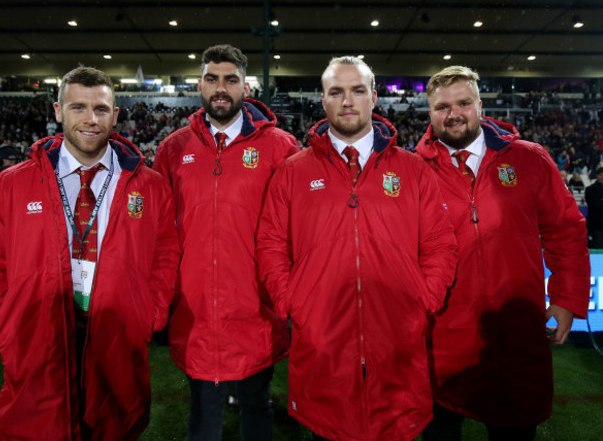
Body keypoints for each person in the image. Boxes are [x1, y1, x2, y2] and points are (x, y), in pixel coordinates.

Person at [0, 66, 180, 440]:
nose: (90, 120)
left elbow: (166, 253)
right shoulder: (11, 184)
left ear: (115, 115)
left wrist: (151, 313)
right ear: (58, 111)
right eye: (78, 107)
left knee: (114, 426)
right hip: (38, 338)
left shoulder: (150, 185)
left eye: (100, 109)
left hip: (116, 338)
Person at [256, 56, 458, 441]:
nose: (347, 100)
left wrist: (424, 298)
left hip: (397, 343)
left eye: (357, 91)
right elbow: (271, 245)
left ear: (373, 97)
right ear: (323, 100)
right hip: (323, 342)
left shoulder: (413, 170)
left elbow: (440, 245)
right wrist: (292, 301)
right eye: (337, 92)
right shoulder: (293, 172)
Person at [415, 66, 590, 440]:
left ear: (480, 105)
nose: (454, 113)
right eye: (442, 106)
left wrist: (565, 298)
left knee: (514, 429)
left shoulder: (529, 158)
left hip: (515, 328)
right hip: (441, 332)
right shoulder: (411, 170)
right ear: (429, 114)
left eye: (463, 102)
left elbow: (565, 230)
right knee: (438, 429)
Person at [153, 44, 299, 441]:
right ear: (199, 85)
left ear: (245, 87)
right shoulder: (173, 149)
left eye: (230, 80)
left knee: (256, 406)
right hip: (195, 310)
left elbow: (295, 231)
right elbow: (160, 233)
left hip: (256, 309)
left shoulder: (281, 148)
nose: (221, 88)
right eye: (212, 79)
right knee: (202, 416)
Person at [585, 167, 603, 248]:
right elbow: (595, 204)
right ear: (597, 176)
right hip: (596, 225)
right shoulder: (590, 189)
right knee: (596, 246)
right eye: (600, 175)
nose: (602, 177)